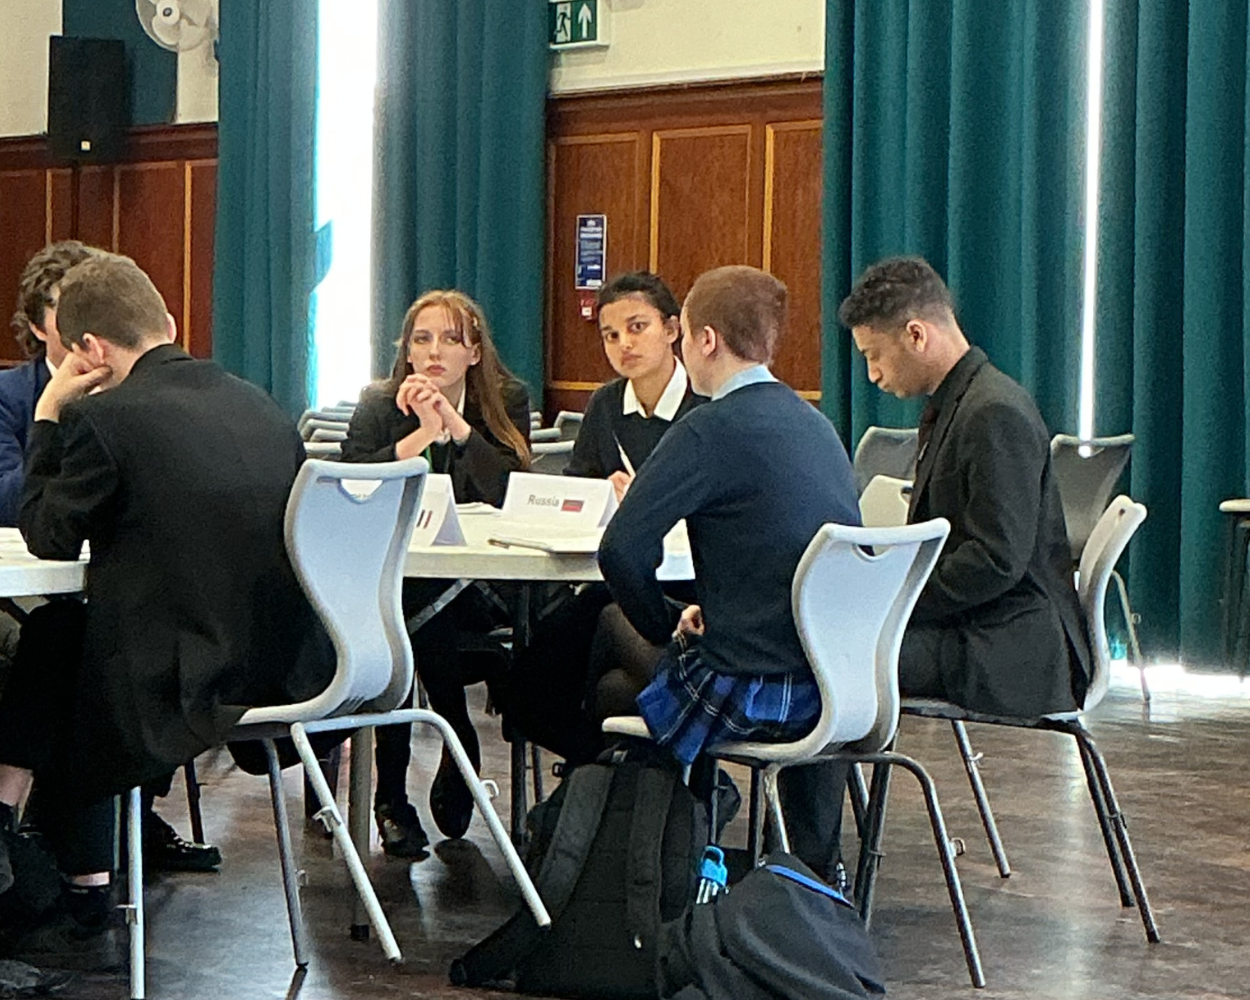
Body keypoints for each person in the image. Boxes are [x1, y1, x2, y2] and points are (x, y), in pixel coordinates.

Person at [0, 252, 331, 968]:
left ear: (88, 350)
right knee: (63, 631)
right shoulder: (257, 402)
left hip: (176, 684)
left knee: (61, 642)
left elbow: (47, 533)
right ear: (168, 323)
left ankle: (50, 861)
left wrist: (52, 413)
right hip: (280, 666)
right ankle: (52, 857)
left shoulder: (106, 420)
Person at [597, 265, 861, 884]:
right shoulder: (814, 424)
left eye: (684, 335)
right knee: (615, 685)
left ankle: (620, 862)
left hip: (757, 683)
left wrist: (666, 622)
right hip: (834, 680)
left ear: (705, 340)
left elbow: (622, 552)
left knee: (613, 640)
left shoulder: (709, 428)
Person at [2, 242, 222, 878]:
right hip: (34, 584)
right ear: (42, 325)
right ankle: (83, 859)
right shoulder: (13, 395)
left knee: (79, 641)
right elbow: (10, 498)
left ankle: (80, 858)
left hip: (140, 619)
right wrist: (59, 422)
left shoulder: (143, 405)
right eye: (61, 309)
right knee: (66, 640)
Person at [839, 255, 1091, 715]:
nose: (873, 374)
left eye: (873, 355)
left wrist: (895, 601)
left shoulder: (993, 412)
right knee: (837, 647)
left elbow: (996, 559)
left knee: (834, 659)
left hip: (1008, 647)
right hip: (979, 628)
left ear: (916, 334)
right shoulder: (965, 401)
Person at [341, 289, 530, 855]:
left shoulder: (504, 400)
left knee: (413, 624)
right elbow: (350, 484)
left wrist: (458, 428)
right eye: (421, 339)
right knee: (407, 615)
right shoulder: (379, 405)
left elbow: (511, 492)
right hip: (394, 579)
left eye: (451, 339)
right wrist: (421, 435)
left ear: (475, 352)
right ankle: (447, 741)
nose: (434, 352)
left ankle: (399, 790)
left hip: (478, 586)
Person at [566, 271, 704, 497]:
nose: (625, 344)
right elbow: (575, 486)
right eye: (611, 336)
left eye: (637, 327)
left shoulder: (706, 399)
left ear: (671, 330)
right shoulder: (605, 403)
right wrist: (602, 492)